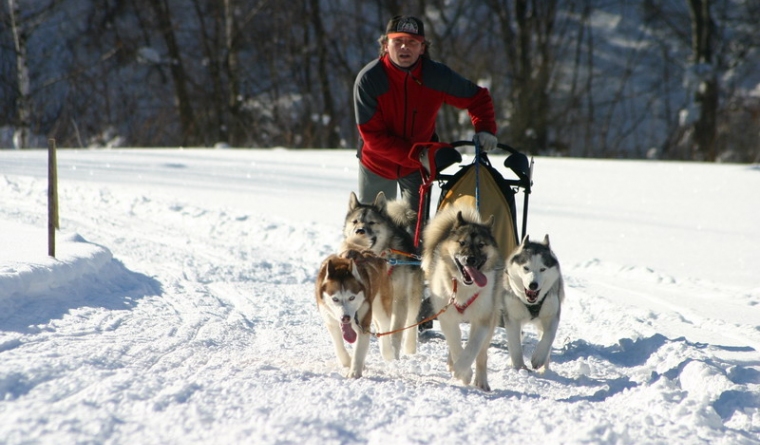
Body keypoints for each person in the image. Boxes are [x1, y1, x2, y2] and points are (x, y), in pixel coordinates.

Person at [353, 15, 498, 213]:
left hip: (417, 168)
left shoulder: (436, 76)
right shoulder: (369, 79)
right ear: (386, 45)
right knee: (372, 231)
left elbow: (478, 98)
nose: (405, 47)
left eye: (412, 42)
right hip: (377, 164)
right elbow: (374, 138)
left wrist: (485, 129)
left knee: (414, 233)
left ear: (422, 48)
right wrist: (419, 155)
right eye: (398, 41)